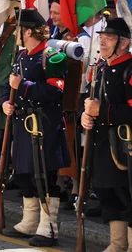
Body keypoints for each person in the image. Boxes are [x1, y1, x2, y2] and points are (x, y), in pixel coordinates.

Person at [0, 8, 69, 247]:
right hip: (22, 124)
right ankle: (30, 221)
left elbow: (55, 92)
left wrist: (24, 86)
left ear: (28, 31)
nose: (16, 34)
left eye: (18, 30)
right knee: (24, 175)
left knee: (44, 176)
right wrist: (5, 104)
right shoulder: (20, 56)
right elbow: (6, 89)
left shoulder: (52, 56)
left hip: (43, 127)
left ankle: (49, 227)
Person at [82, 17, 132, 251]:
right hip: (103, 143)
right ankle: (117, 244)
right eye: (101, 38)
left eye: (108, 38)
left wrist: (102, 111)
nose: (102, 42)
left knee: (127, 195)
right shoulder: (101, 67)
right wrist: (87, 115)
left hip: (126, 145)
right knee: (106, 192)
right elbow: (91, 101)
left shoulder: (130, 68)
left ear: (123, 43)